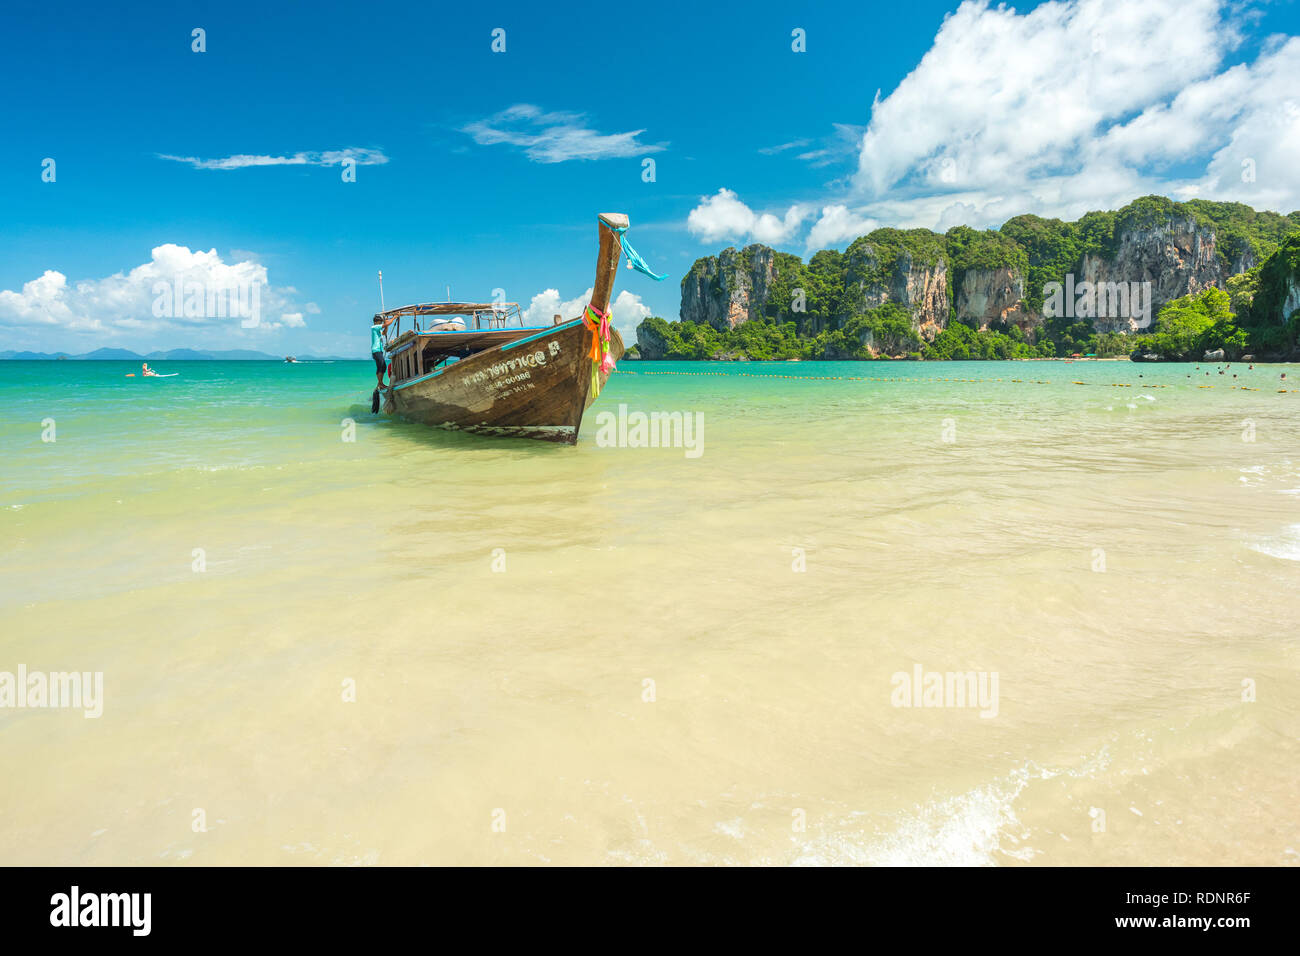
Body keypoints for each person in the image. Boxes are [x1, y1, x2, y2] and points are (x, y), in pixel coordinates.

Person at [372, 314, 395, 387]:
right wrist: (394, 317)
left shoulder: (378, 331)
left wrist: (386, 325)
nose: (381, 324)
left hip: (379, 350)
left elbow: (384, 332)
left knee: (382, 366)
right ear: (376, 322)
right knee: (382, 365)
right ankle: (380, 383)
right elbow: (386, 324)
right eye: (380, 322)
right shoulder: (374, 327)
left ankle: (380, 383)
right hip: (376, 350)